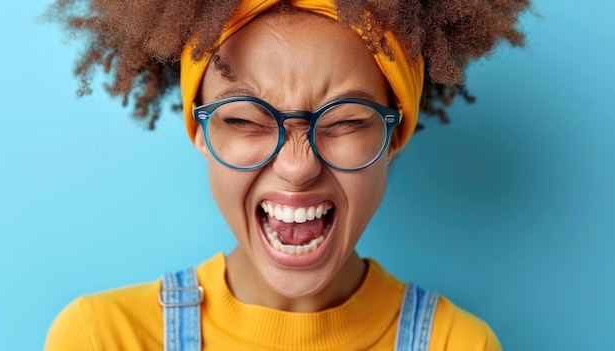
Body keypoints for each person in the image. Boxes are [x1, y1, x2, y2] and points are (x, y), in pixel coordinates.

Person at [44, 0, 530, 350]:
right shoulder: (102, 338)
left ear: (393, 137)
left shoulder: (456, 343)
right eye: (244, 120)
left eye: (344, 122)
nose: (297, 168)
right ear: (200, 132)